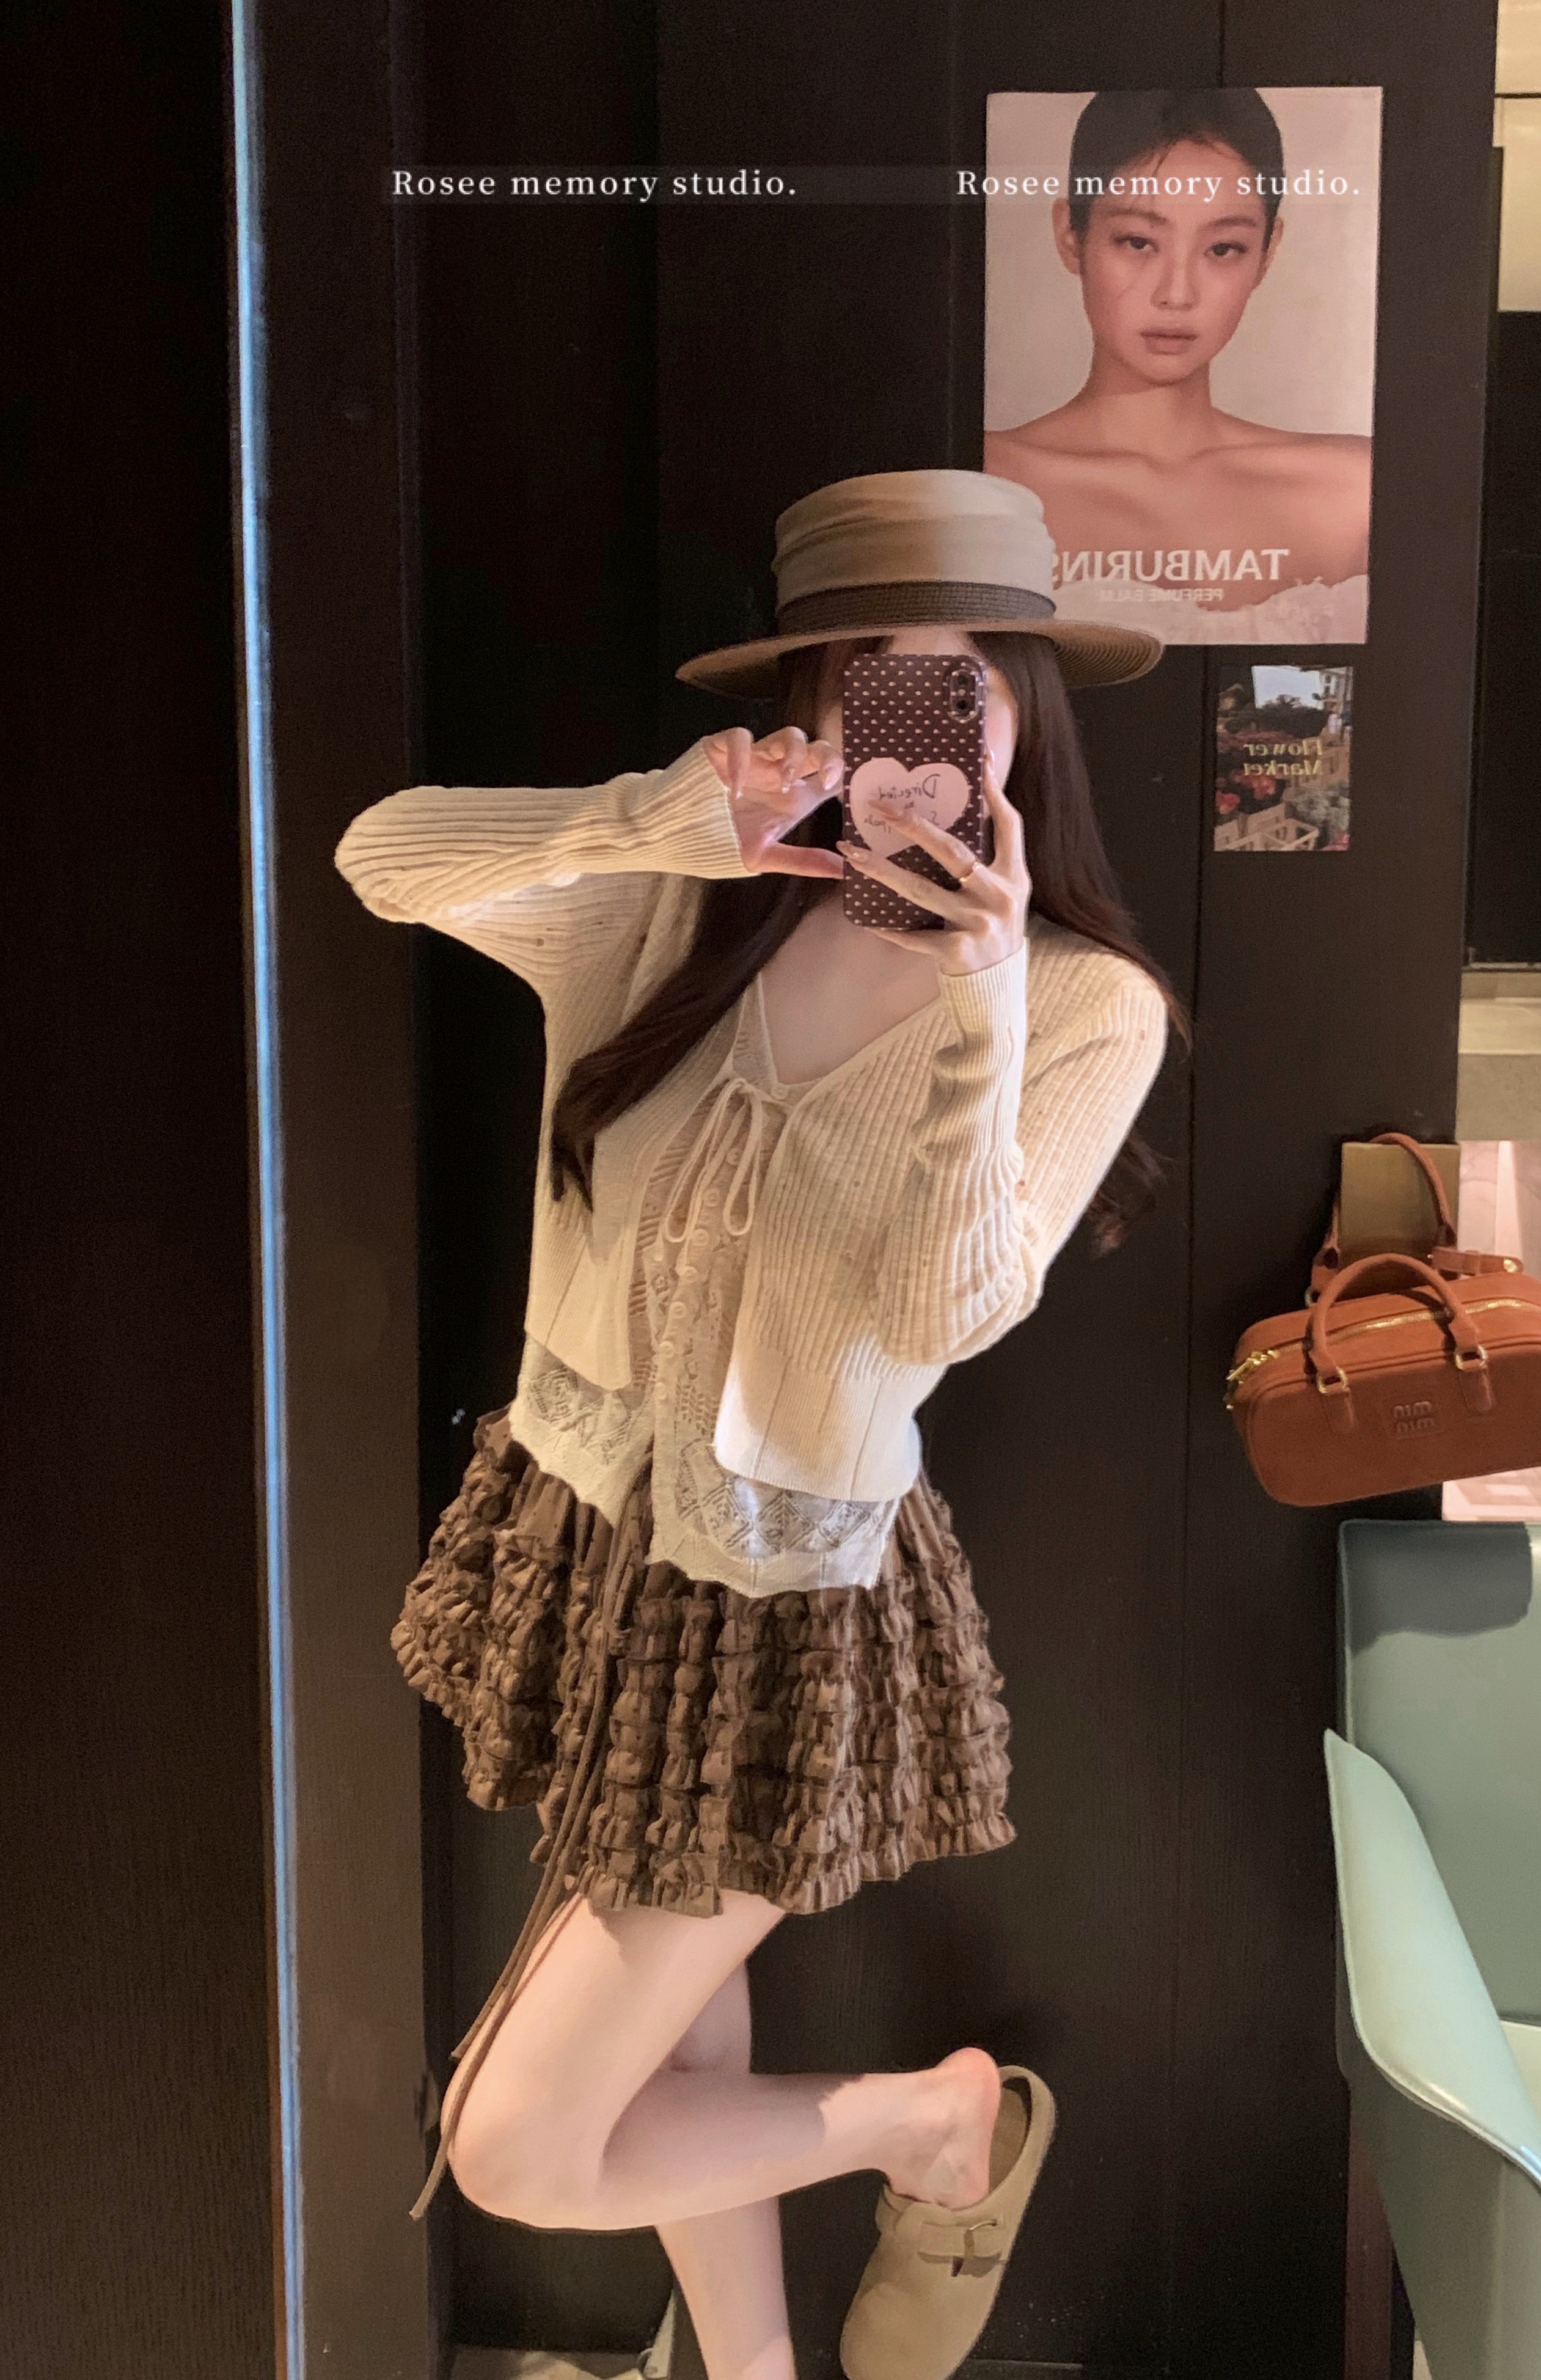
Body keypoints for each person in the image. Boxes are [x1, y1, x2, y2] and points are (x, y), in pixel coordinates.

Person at [335, 469, 1181, 2380]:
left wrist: (975, 1003)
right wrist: (667, 815)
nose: (921, 729)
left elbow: (943, 1318)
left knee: (515, 2140)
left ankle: (929, 2119)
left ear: (1025, 713)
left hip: (785, 1603)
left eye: (963, 684)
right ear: (811, 702)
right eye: (871, 682)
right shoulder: (664, 909)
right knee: (677, 2031)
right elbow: (382, 854)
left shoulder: (1080, 1003)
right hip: (574, 1542)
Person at [984, 89, 1371, 643]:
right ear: (1070, 236)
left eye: (1222, 249)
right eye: (1138, 242)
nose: (1177, 293)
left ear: (1267, 252)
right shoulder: (980, 483)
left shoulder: (1355, 491)